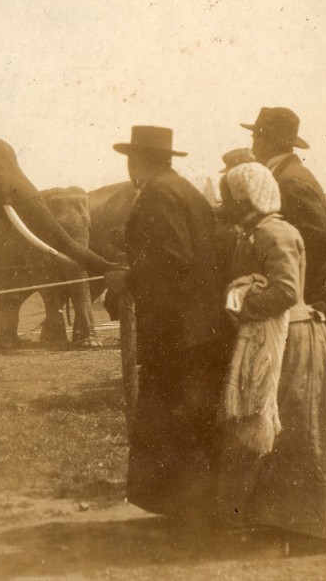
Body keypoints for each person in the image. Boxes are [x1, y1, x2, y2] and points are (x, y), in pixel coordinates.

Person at [218, 162, 326, 547]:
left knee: (297, 429)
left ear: (244, 198)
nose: (224, 204)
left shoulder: (275, 232)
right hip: (275, 338)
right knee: (281, 431)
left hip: (294, 340)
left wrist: (243, 303)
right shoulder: (254, 234)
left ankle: (312, 525)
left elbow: (284, 291)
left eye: (228, 197)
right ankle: (285, 519)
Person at [107, 125, 229, 526]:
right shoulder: (186, 190)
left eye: (130, 158)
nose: (128, 166)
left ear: (138, 159)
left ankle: (186, 510)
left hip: (176, 330)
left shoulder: (158, 194)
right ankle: (199, 507)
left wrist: (130, 278)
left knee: (174, 415)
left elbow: (172, 257)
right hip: (201, 327)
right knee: (194, 415)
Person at [241, 107, 326, 328]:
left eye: (255, 138)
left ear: (268, 140)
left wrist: (286, 285)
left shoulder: (290, 181)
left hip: (309, 304)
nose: (252, 146)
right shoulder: (286, 173)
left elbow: (321, 239)